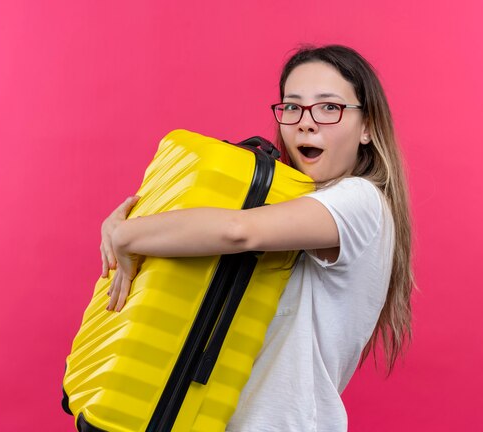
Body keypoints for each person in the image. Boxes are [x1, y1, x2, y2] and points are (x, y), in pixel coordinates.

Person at [98, 45, 414, 432]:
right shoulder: (289, 206)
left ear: (367, 127)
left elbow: (238, 231)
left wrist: (128, 234)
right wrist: (122, 231)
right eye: (293, 107)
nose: (306, 122)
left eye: (329, 107)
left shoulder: (361, 201)